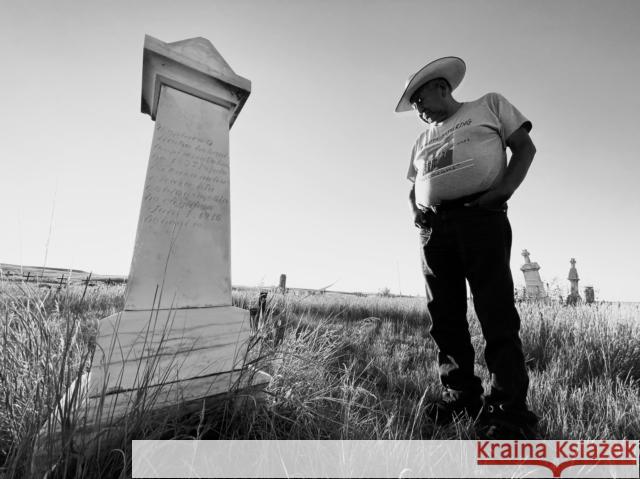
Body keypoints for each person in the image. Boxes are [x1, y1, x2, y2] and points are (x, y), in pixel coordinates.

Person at [395, 56, 539, 439]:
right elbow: (414, 185)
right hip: (434, 229)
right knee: (443, 316)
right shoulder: (421, 139)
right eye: (413, 104)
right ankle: (461, 395)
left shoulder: (488, 105)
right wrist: (416, 213)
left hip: (481, 217)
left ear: (441, 87)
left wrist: (500, 193)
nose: (418, 108)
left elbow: (525, 148)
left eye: (420, 98)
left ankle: (509, 411)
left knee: (495, 311)